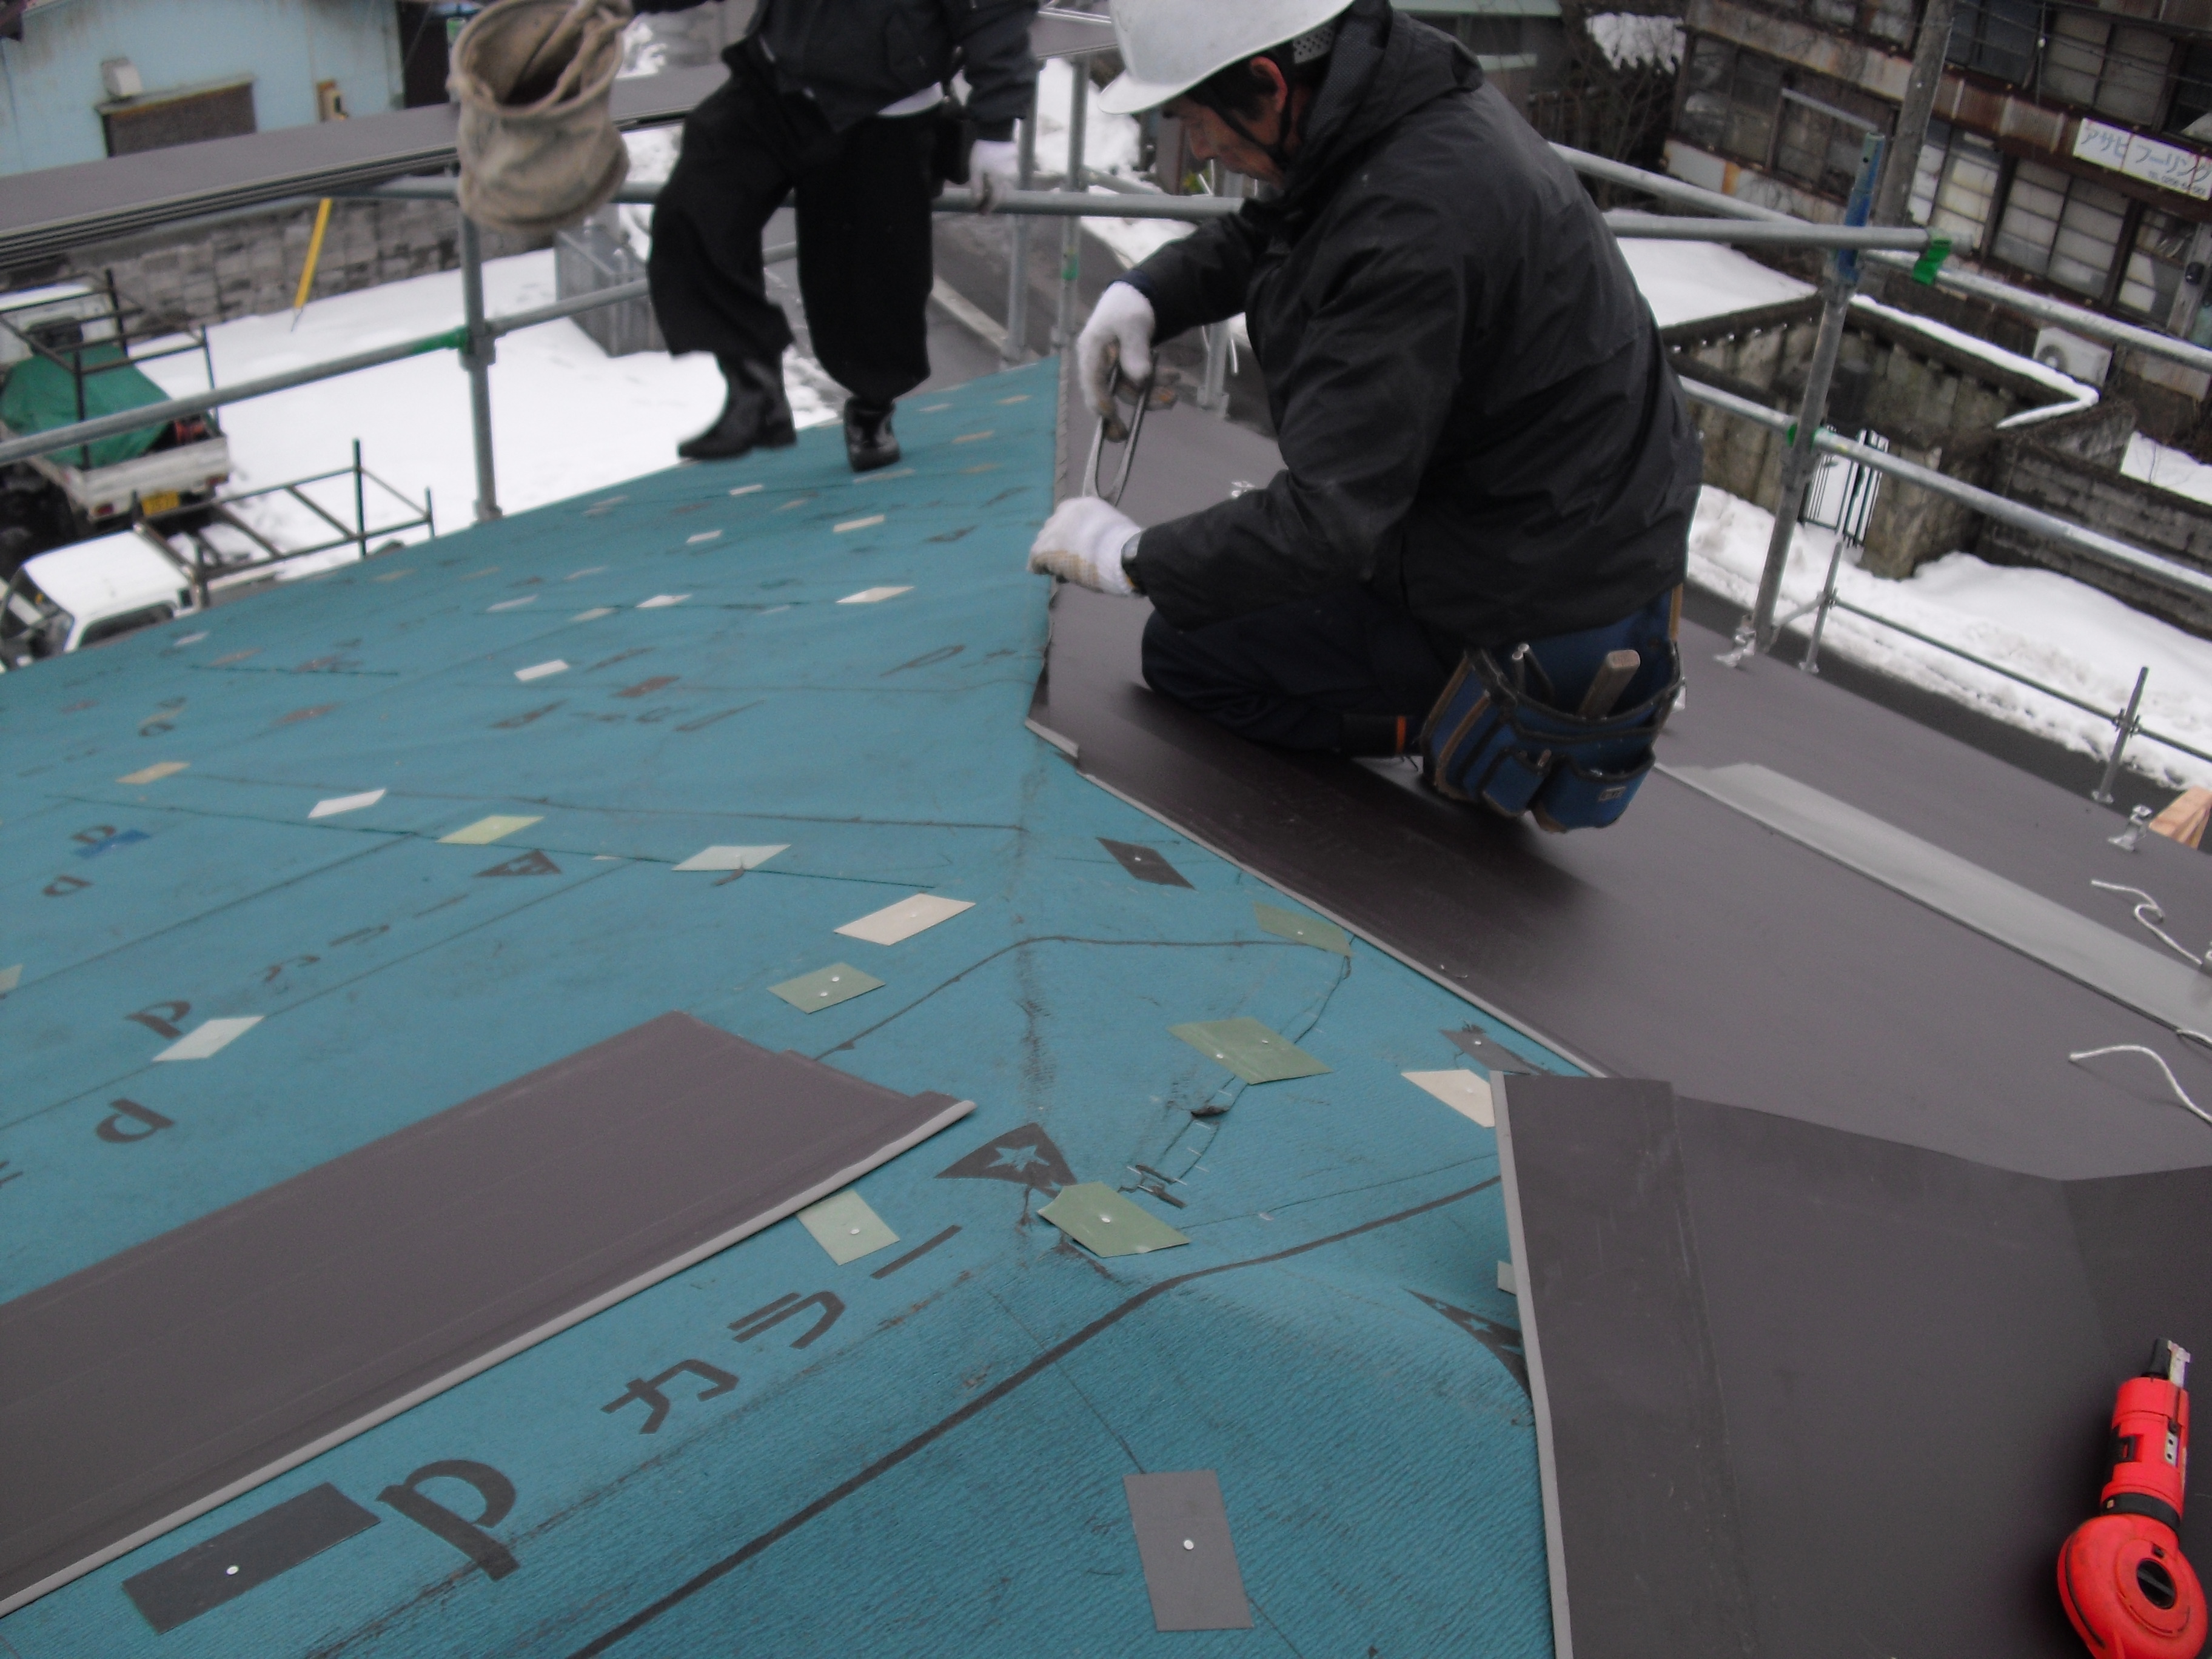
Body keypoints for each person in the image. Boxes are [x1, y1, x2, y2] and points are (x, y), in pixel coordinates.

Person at [1027, 0, 1703, 828]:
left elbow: (1326, 525)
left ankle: (1459, 720)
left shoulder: (1408, 229)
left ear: (1270, 83)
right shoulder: (1399, 109)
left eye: (1198, 121)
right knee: (1244, 585)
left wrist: (1131, 557)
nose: (1199, 148)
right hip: (1578, 528)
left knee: (1188, 652)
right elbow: (1285, 228)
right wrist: (1148, 295)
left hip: (1535, 590)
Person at [635, 0, 1038, 471]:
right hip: (776, 81)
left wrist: (996, 129)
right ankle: (754, 385)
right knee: (695, 213)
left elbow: (993, 12)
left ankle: (872, 407)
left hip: (884, 107)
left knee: (869, 285)